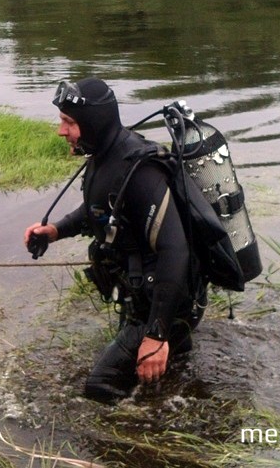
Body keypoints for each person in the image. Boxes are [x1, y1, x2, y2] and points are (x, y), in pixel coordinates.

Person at [24, 77, 206, 403]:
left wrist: (155, 334)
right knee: (161, 369)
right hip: (143, 294)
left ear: (93, 123)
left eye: (69, 122)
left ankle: (134, 443)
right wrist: (55, 231)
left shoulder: (140, 171)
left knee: (99, 387)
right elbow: (100, 210)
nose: (61, 131)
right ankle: (173, 384)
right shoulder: (104, 157)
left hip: (166, 299)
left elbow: (175, 251)